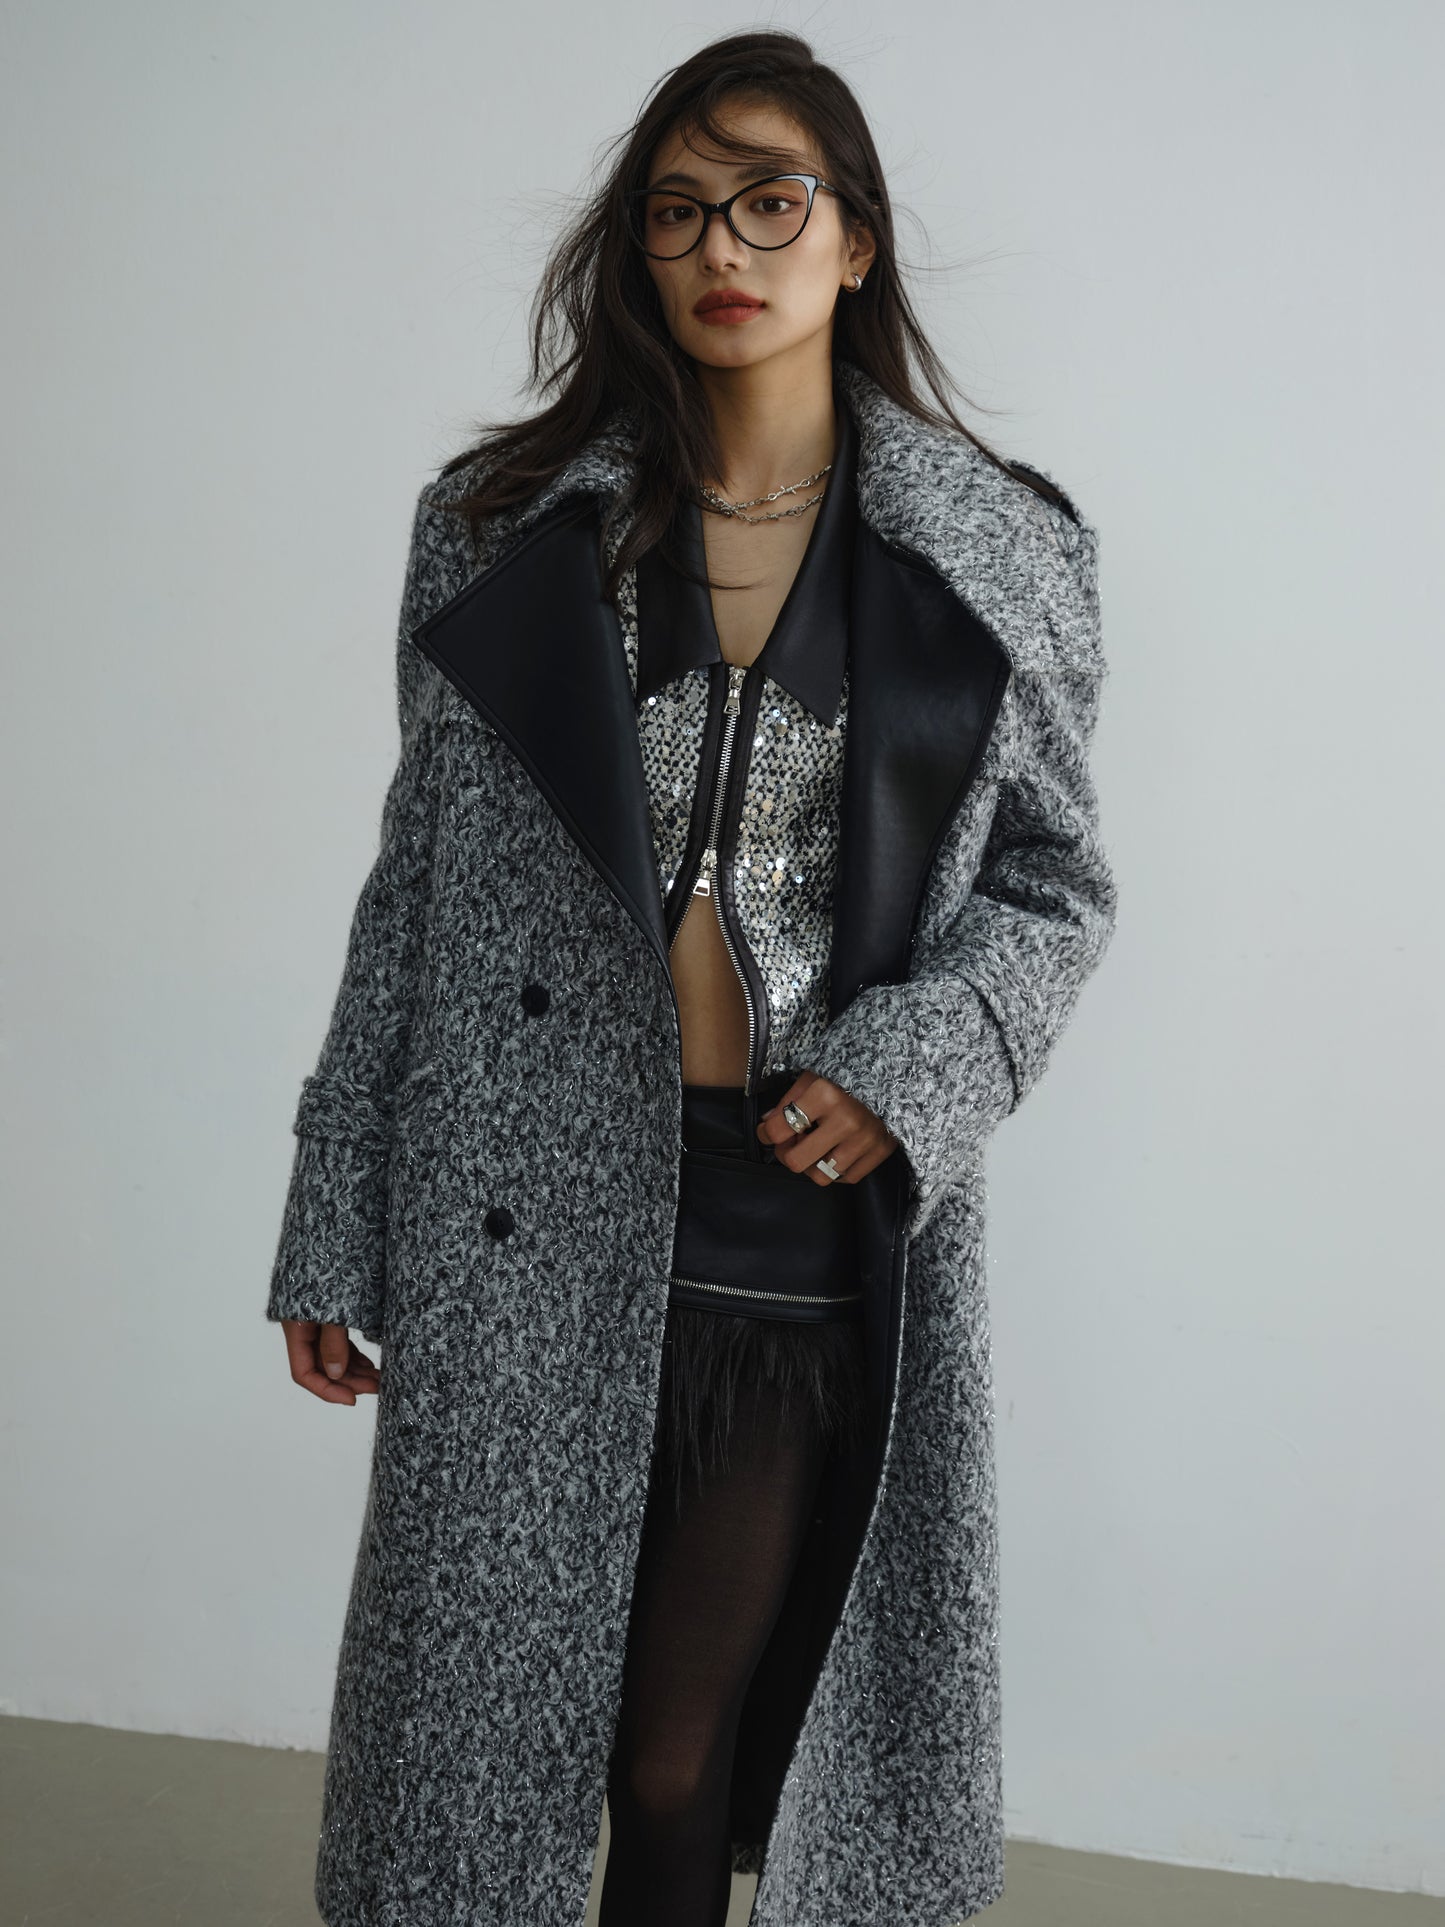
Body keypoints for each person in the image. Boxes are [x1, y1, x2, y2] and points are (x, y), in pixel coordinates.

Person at [267, 30, 1115, 1927]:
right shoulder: (499, 532)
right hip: (522, 1218)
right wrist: (336, 1206)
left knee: (674, 1753)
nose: (722, 245)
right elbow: (415, 894)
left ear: (854, 239)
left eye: (768, 201)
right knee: (491, 1750)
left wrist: (917, 1062)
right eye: (676, 209)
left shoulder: (998, 555)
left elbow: (1054, 889)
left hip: (792, 1223)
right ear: (635, 251)